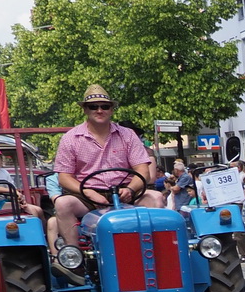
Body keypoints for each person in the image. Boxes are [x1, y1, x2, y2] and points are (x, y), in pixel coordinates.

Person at [53, 84, 164, 244]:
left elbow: (143, 171)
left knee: (156, 197)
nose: (99, 110)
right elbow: (64, 177)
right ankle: (74, 256)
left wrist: (130, 189)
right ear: (85, 110)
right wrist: (87, 192)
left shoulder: (128, 135)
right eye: (93, 107)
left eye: (105, 106)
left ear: (111, 110)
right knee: (63, 204)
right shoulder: (70, 138)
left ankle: (151, 250)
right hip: (87, 196)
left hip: (125, 193)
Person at [0, 147, 44, 223]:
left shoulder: (4, 172)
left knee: (39, 210)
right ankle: (32, 232)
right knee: (30, 210)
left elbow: (12, 187)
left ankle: (43, 233)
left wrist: (18, 198)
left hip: (6, 201)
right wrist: (14, 192)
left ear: (1, 159)